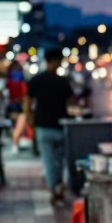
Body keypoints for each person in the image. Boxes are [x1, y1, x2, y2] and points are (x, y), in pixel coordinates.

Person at [25, 49, 74, 202]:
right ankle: (57, 185)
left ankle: (54, 188)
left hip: (44, 126)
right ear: (54, 61)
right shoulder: (62, 81)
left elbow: (27, 102)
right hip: (59, 126)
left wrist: (29, 119)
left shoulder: (36, 80)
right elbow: (72, 102)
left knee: (48, 160)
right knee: (59, 160)